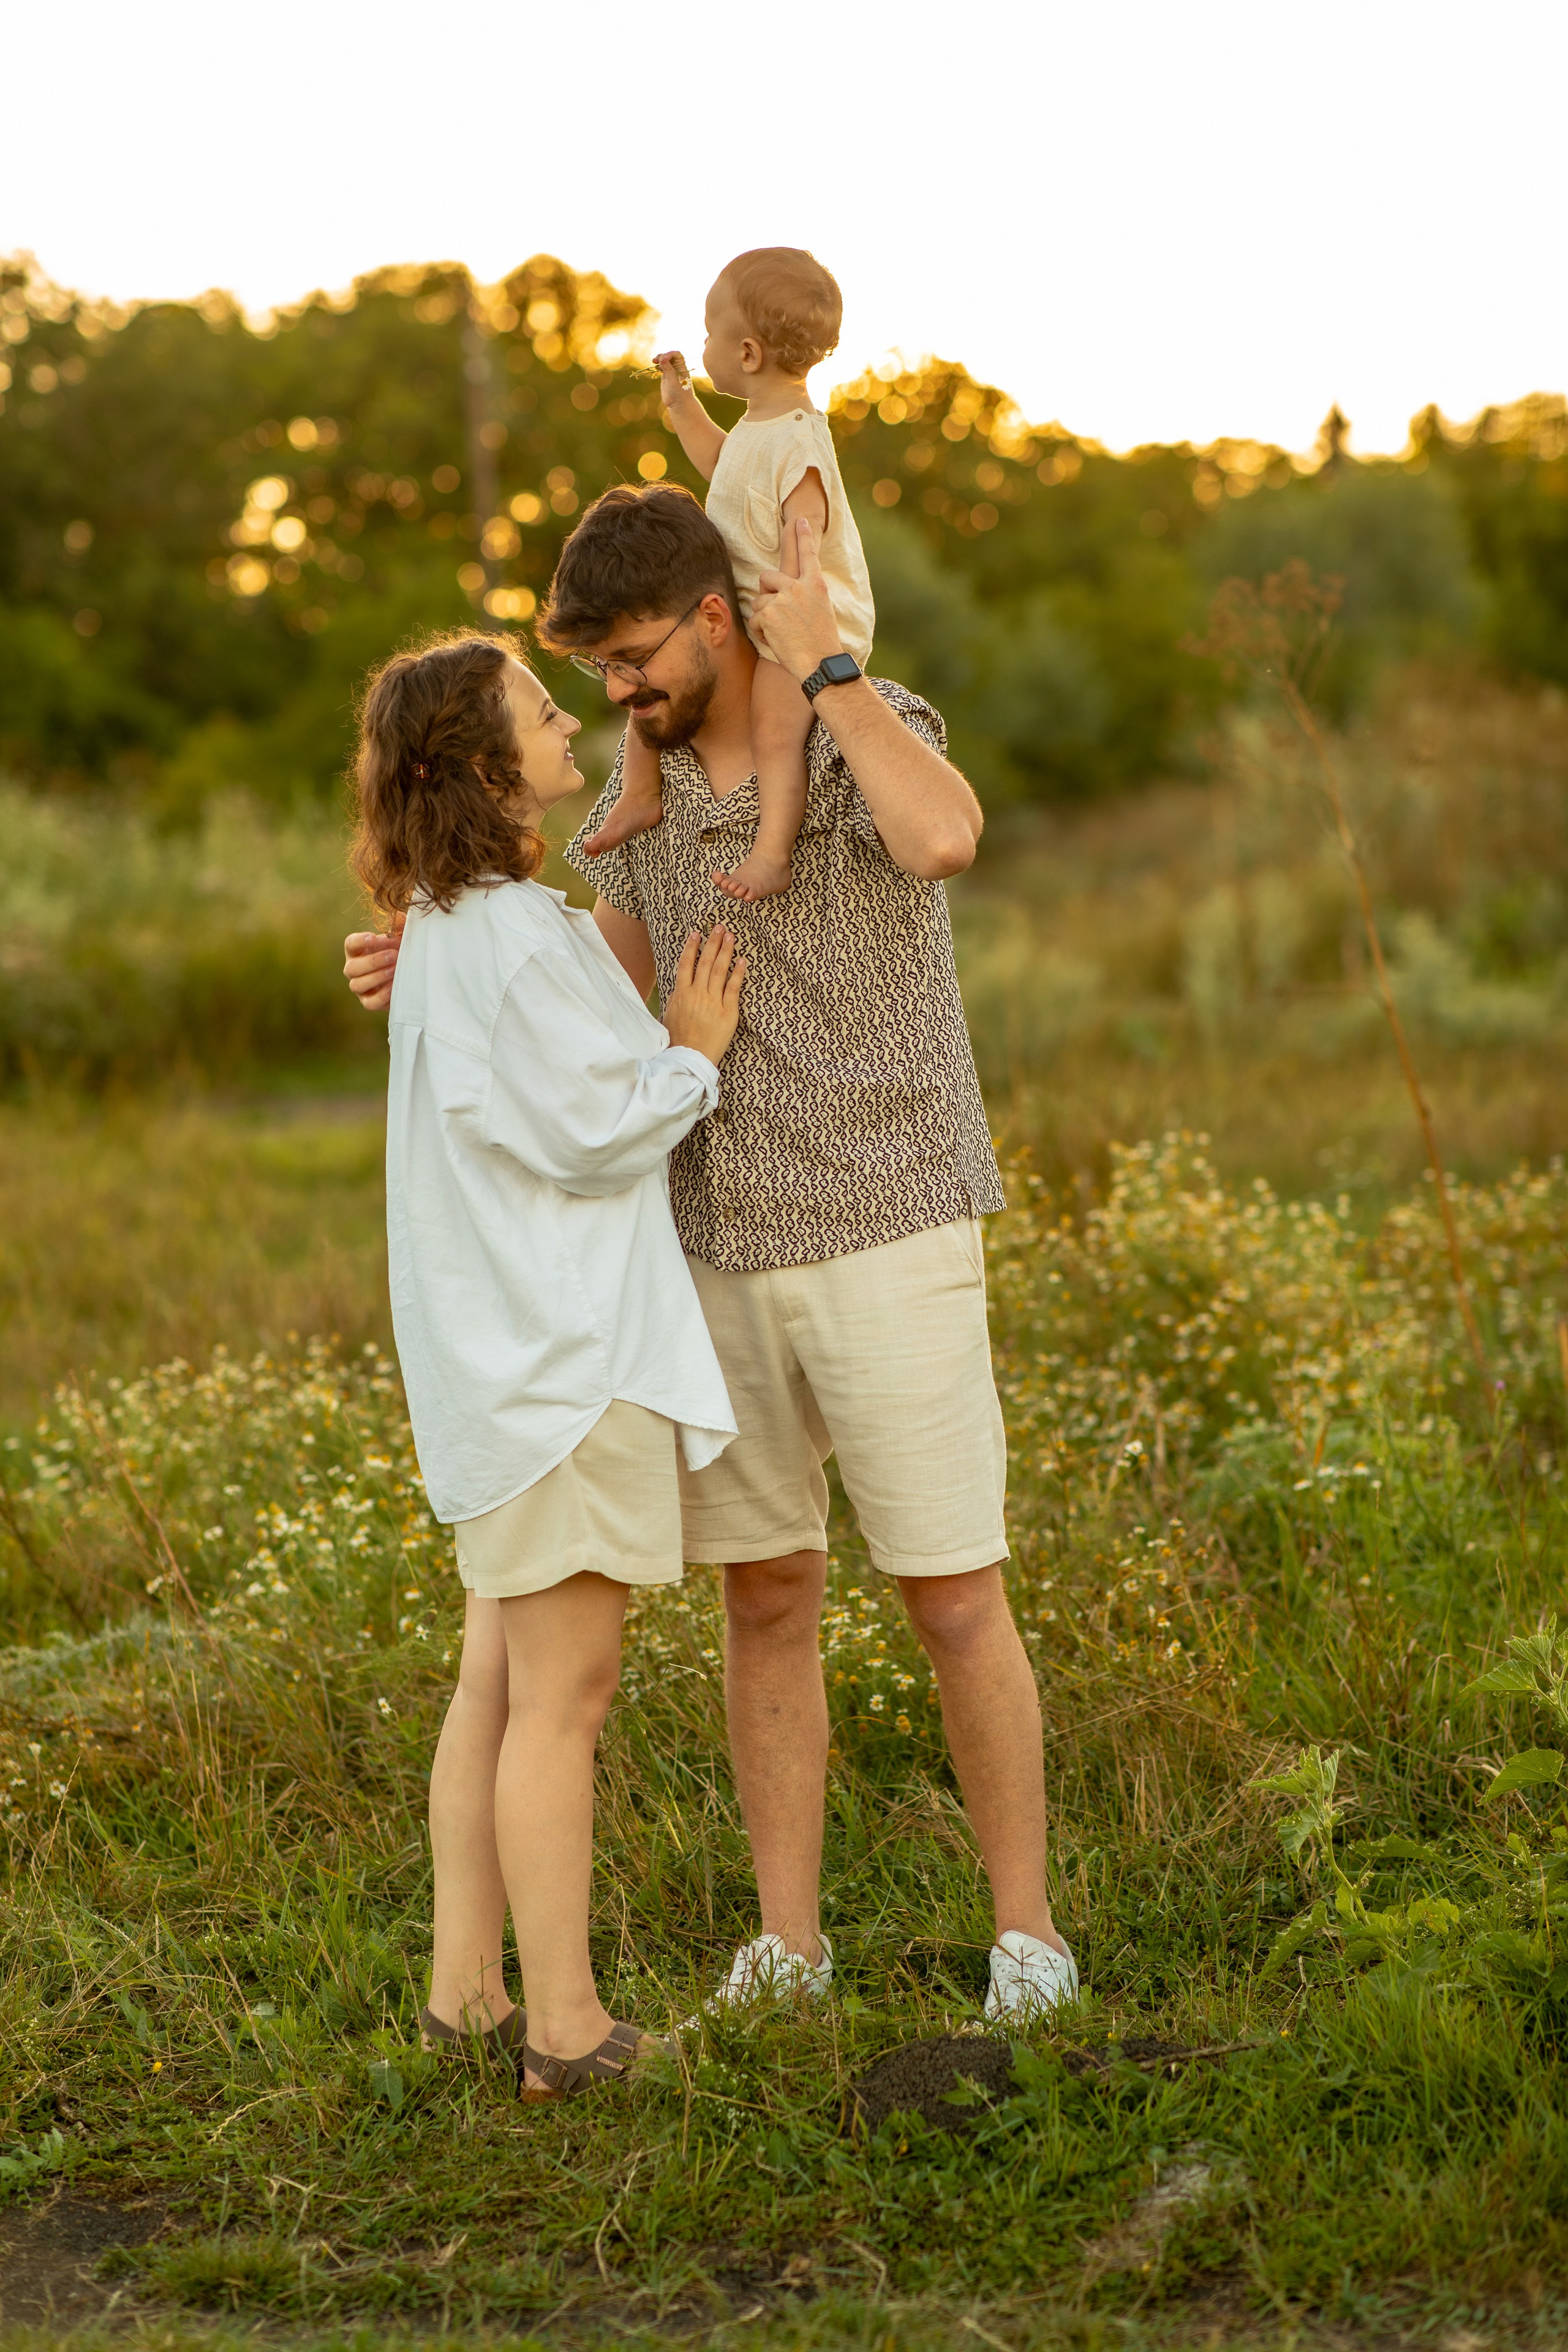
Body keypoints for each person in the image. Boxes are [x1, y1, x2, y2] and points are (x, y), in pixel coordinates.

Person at [345, 489, 1080, 2024]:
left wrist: (829, 673)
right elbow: (600, 984)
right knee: (768, 1595)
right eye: (592, 672)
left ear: (714, 616)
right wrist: (442, 951)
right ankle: (787, 1943)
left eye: (627, 656)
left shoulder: (861, 719)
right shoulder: (644, 791)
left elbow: (944, 834)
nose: (616, 691)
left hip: (888, 1214)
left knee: (951, 1598)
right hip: (710, 1243)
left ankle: (1025, 1934)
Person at [350, 628, 745, 2094]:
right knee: (559, 1702)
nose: (569, 721)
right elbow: (588, 1131)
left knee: (497, 1688)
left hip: (503, 1361)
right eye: (539, 708)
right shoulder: (499, 936)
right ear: (476, 764)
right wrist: (691, 1047)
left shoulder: (465, 923)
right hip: (559, 1364)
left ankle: (465, 1997)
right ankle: (566, 2031)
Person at [580, 247, 872, 904]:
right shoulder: (755, 428)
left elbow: (806, 527)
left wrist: (800, 626)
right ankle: (639, 795)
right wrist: (679, 401)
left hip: (796, 624)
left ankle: (771, 854)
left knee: (774, 729)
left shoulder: (800, 441)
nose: (702, 343)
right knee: (651, 678)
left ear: (746, 354)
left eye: (710, 333)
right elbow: (724, 466)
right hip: (752, 607)